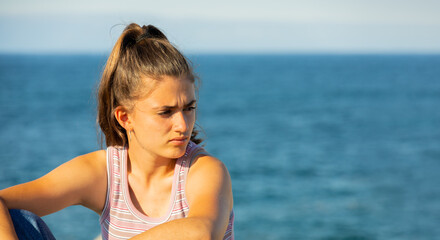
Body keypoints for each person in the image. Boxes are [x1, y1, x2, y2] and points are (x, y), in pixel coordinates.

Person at [0, 23, 234, 240]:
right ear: (125, 117)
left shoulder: (205, 171)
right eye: (166, 112)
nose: (183, 125)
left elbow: (202, 232)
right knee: (18, 220)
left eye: (189, 108)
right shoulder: (105, 173)